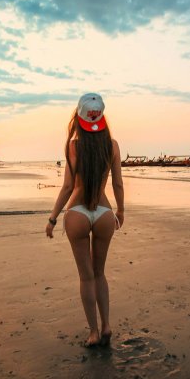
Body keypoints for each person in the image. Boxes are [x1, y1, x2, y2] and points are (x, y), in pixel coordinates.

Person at [46, 93, 125, 348]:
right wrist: (120, 211)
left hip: (77, 213)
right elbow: (117, 183)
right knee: (100, 273)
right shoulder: (112, 145)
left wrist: (53, 217)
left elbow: (68, 187)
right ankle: (107, 326)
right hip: (104, 213)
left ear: (79, 117)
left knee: (86, 276)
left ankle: (93, 332)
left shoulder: (73, 146)